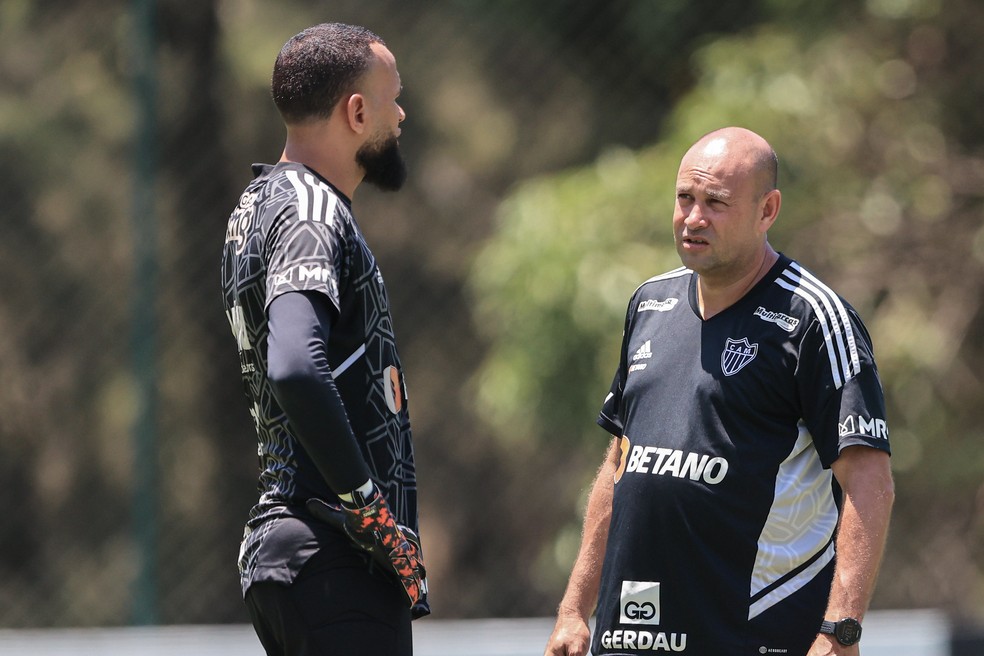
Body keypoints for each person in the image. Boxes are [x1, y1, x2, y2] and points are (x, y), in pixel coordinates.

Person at [544, 127, 894, 656]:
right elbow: (621, 463)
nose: (693, 218)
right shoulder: (649, 303)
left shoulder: (814, 319)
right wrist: (574, 609)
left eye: (716, 202)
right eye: (685, 198)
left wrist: (840, 633)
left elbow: (870, 481)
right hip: (629, 633)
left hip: (751, 633)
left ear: (767, 209)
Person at [220, 23, 428, 656]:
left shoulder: (255, 207)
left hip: (292, 552)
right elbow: (295, 365)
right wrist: (368, 508)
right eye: (392, 98)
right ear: (356, 112)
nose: (401, 114)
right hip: (333, 555)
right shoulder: (312, 211)